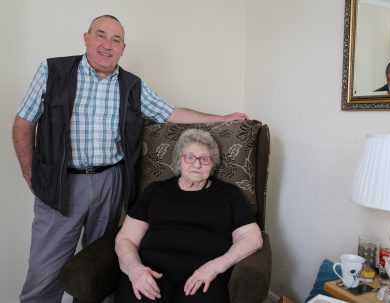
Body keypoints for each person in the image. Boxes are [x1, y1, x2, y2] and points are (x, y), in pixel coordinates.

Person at [12, 15, 249, 303]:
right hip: (62, 181)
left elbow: (170, 113)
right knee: (44, 272)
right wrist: (31, 174)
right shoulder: (52, 70)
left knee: (97, 269)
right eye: (101, 35)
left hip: (110, 181)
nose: (107, 45)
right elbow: (24, 123)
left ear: (123, 48)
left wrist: (221, 119)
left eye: (116, 40)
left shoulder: (132, 85)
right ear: (86, 38)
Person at [115, 129, 263, 303]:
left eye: (204, 159)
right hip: (152, 270)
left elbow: (252, 238)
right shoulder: (155, 191)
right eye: (190, 157)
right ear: (179, 160)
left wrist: (216, 266)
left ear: (213, 164)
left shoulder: (228, 195)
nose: (197, 164)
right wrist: (135, 269)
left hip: (206, 274)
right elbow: (126, 239)